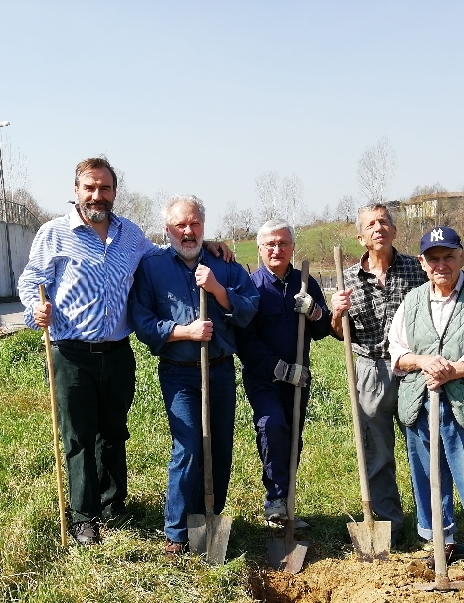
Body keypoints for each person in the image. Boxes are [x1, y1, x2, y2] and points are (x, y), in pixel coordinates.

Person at [18, 158, 232, 546]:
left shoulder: (130, 236)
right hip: (71, 351)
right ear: (76, 191)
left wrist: (210, 247)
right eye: (90, 187)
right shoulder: (54, 234)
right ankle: (84, 516)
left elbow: (168, 250)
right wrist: (35, 309)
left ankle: (113, 501)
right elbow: (32, 280)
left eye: (105, 188)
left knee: (113, 431)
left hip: (117, 351)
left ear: (115, 192)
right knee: (79, 435)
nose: (97, 195)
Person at [128, 195, 259, 556]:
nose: (188, 232)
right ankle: (175, 532)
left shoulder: (224, 264)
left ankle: (209, 520)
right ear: (167, 229)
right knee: (187, 447)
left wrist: (217, 289)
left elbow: (249, 309)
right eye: (180, 225)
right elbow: (142, 320)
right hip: (180, 373)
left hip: (219, 372)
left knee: (219, 446)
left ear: (204, 226)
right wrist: (184, 331)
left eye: (195, 224)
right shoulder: (152, 267)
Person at [388, 226, 464, 599]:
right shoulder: (411, 301)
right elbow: (396, 350)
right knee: (428, 479)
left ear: (462, 256)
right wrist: (423, 361)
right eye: (433, 258)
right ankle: (441, 544)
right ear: (423, 263)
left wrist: (455, 369)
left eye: (448, 256)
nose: (441, 264)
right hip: (421, 402)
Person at [330, 204, 426, 545]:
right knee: (378, 451)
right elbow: (343, 334)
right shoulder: (349, 283)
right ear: (361, 237)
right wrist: (335, 314)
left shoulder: (418, 270)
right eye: (371, 224)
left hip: (412, 368)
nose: (378, 228)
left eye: (384, 222)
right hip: (370, 369)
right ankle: (388, 524)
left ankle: (429, 525)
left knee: (422, 447)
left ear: (394, 231)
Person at [236, 219, 336, 526]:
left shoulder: (305, 282)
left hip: (299, 379)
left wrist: (317, 312)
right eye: (270, 244)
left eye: (283, 243)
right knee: (272, 425)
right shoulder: (250, 287)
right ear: (260, 248)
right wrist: (279, 369)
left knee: (292, 437)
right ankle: (275, 500)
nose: (277, 249)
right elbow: (245, 340)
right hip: (263, 377)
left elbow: (323, 329)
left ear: (292, 247)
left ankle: (285, 502)